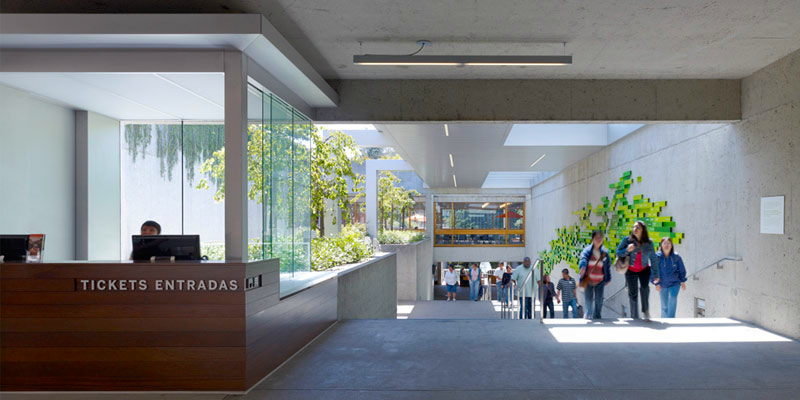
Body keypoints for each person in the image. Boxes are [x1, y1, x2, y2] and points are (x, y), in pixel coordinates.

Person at [616, 221, 660, 320]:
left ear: (643, 229)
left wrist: (656, 275)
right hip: (630, 270)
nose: (635, 229)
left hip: (644, 269)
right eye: (634, 227)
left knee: (645, 289)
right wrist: (627, 250)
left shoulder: (649, 242)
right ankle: (634, 316)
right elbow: (618, 252)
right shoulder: (627, 240)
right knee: (633, 293)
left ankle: (645, 311)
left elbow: (653, 258)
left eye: (638, 227)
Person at [579, 230, 612, 319]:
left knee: (599, 300)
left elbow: (607, 266)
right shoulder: (587, 251)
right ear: (592, 239)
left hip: (600, 280)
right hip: (588, 280)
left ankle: (597, 316)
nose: (599, 239)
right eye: (596, 238)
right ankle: (588, 313)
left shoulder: (605, 252)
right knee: (588, 299)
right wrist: (583, 267)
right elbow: (583, 259)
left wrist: (608, 278)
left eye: (600, 238)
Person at [656, 237, 687, 318]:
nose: (666, 245)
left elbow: (681, 269)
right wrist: (656, 283)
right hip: (662, 284)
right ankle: (664, 323)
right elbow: (653, 271)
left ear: (671, 245)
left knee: (673, 300)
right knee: (665, 306)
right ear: (661, 245)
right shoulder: (657, 257)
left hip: (675, 283)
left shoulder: (676, 257)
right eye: (664, 243)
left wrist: (683, 281)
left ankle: (671, 321)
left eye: (668, 243)